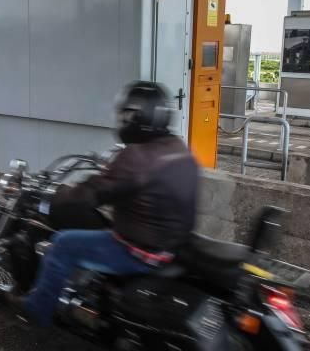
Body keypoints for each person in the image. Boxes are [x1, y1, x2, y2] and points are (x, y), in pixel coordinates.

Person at [12, 81, 200, 326]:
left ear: (136, 117)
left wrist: (55, 197)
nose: (122, 119)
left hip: (140, 249)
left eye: (125, 114)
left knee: (62, 244)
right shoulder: (176, 147)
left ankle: (37, 309)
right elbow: (139, 185)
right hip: (170, 242)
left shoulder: (136, 157)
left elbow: (91, 193)